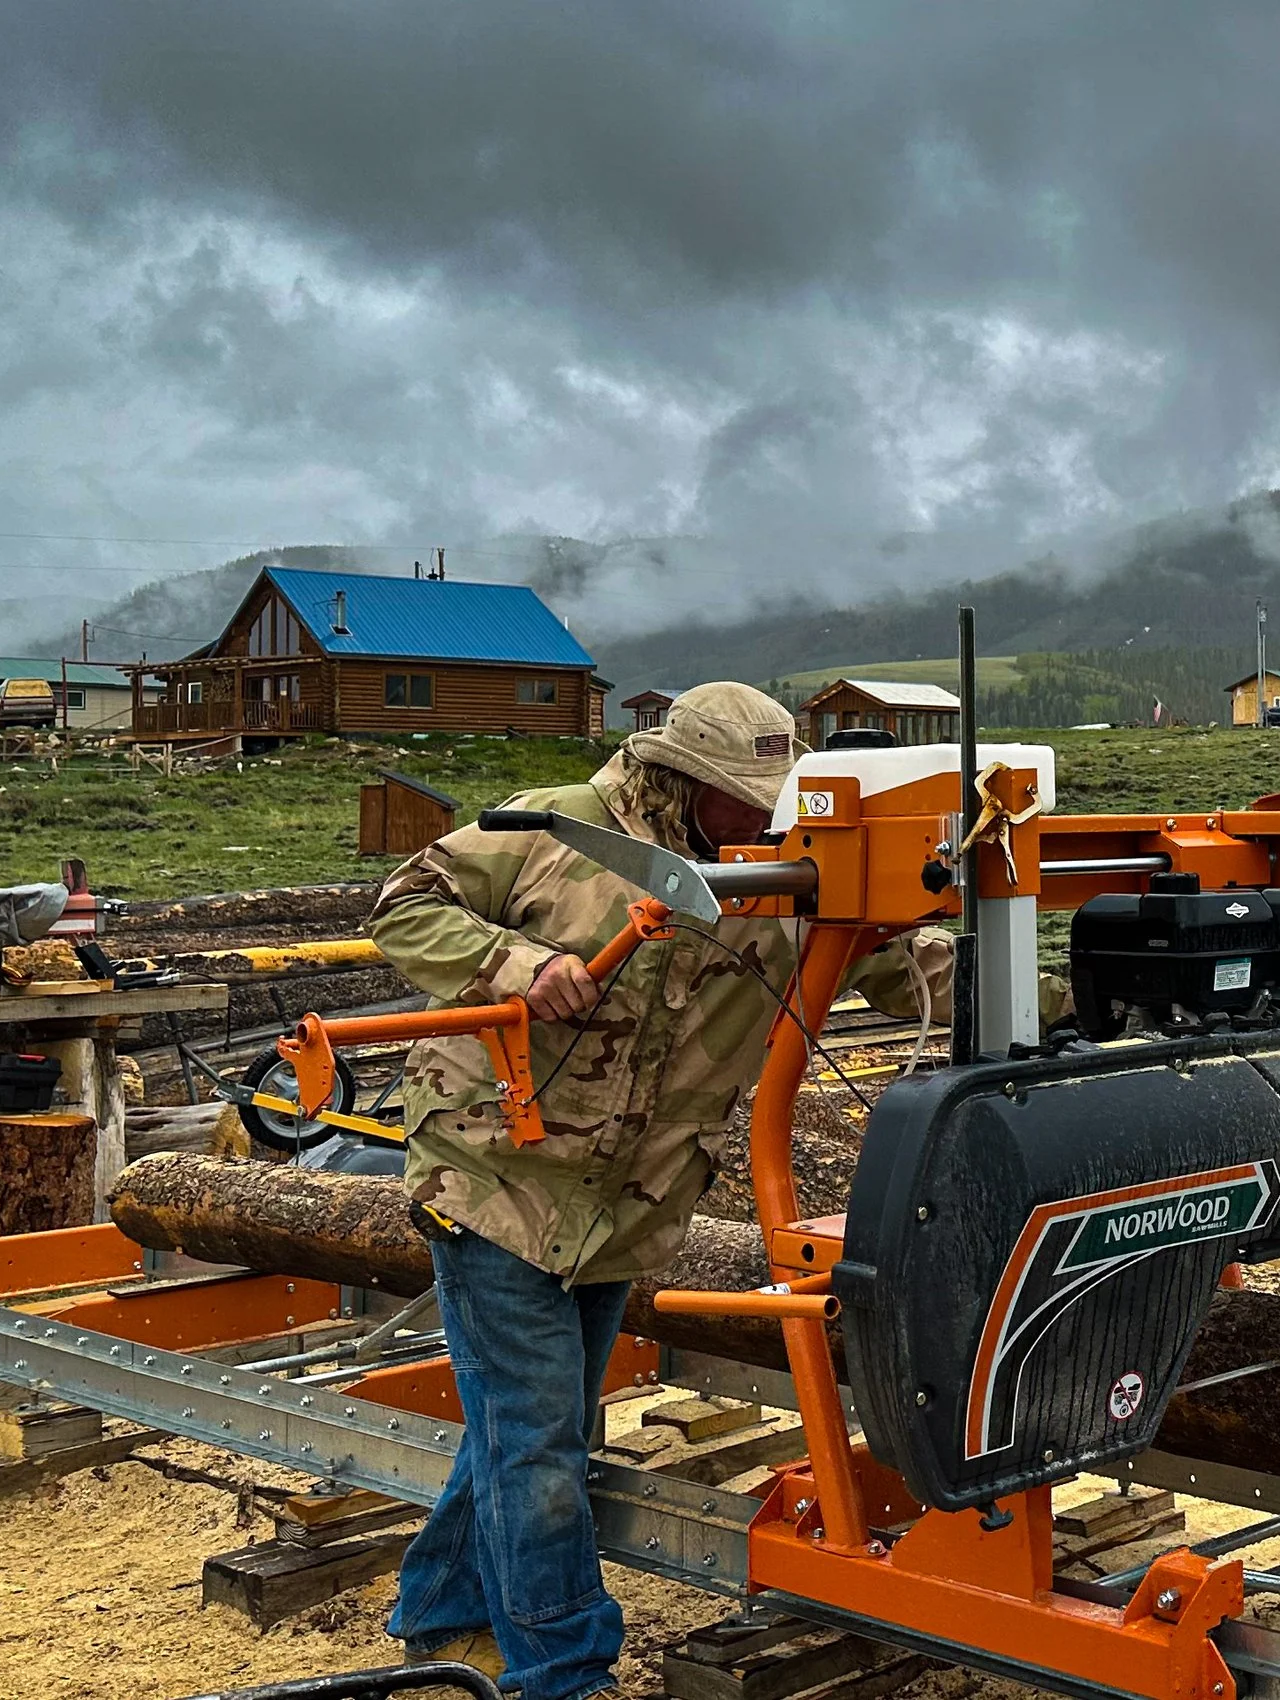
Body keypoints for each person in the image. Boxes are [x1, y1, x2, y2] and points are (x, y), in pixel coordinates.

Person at [368, 683, 948, 1700]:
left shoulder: (796, 868)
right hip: (496, 1175)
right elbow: (403, 906)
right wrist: (514, 959)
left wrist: (1040, 971)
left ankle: (439, 1606)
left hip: (629, 1197)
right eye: (743, 797)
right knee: (541, 1437)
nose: (764, 814)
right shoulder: (551, 832)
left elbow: (904, 965)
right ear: (682, 781)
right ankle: (563, 1667)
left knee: (529, 1421)